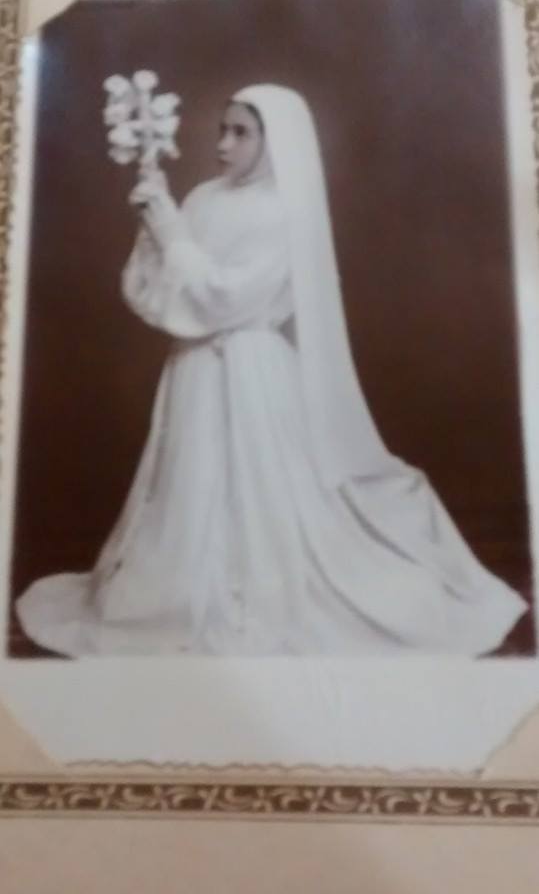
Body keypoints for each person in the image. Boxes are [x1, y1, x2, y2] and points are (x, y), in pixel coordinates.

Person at [16, 83, 527, 656]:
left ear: (274, 139)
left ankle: (261, 594)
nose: (223, 145)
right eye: (223, 130)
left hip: (252, 370)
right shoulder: (204, 197)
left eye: (242, 133)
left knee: (262, 493)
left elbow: (226, 297)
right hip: (193, 372)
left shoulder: (284, 211)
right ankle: (181, 593)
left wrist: (173, 234)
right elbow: (158, 294)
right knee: (190, 486)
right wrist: (153, 222)